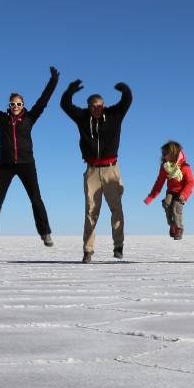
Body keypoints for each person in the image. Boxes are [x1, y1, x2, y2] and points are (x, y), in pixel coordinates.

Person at [0, 66, 60, 250]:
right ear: (9, 106)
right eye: (12, 104)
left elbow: (43, 101)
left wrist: (53, 81)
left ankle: (45, 233)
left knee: (36, 199)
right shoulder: (2, 120)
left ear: (23, 106)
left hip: (26, 164)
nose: (15, 106)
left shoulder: (29, 118)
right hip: (6, 165)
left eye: (18, 104)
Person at [61, 79, 133, 263]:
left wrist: (125, 90)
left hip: (111, 169)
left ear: (104, 105)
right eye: (93, 106)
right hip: (92, 171)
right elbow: (65, 105)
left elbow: (127, 101)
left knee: (116, 209)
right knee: (91, 211)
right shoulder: (83, 118)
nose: (96, 109)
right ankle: (88, 250)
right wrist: (70, 91)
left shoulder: (114, 115)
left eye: (99, 105)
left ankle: (118, 246)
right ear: (88, 107)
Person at [144, 140, 194, 240]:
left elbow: (190, 182)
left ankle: (178, 229)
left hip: (182, 192)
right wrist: (151, 197)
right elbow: (159, 183)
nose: (162, 156)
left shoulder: (185, 167)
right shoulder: (165, 167)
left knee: (176, 207)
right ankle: (172, 225)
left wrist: (184, 194)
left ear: (172, 154)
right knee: (166, 203)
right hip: (171, 191)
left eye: (164, 154)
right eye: (162, 153)